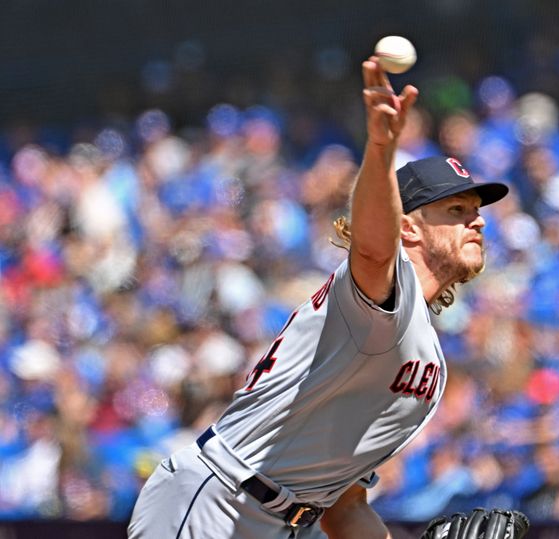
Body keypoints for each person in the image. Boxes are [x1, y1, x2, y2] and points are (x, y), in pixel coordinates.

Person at [127, 54, 508, 538]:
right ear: (407, 227)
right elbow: (372, 250)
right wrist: (379, 151)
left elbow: (345, 508)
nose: (476, 220)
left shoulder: (426, 356)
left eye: (476, 210)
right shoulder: (385, 292)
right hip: (220, 502)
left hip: (284, 521)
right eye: (456, 209)